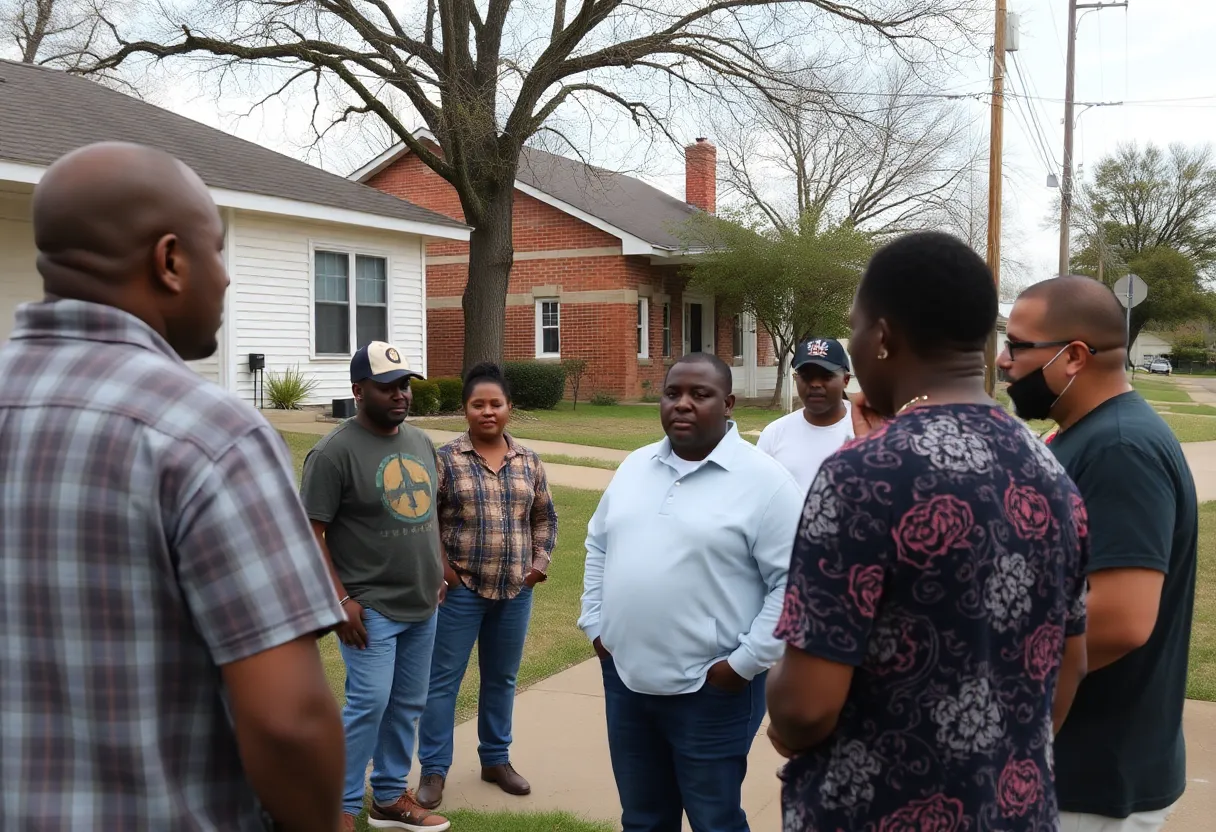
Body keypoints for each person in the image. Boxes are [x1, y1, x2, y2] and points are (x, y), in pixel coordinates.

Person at [0, 142, 345, 830]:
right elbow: (288, 722)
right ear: (170, 261)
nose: (225, 279)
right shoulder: (210, 436)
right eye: (217, 252)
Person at [766, 232, 1089, 832]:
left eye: (856, 327)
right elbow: (1070, 664)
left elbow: (805, 709)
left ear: (882, 337)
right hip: (1015, 813)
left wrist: (780, 710)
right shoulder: (1053, 474)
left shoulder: (862, 475)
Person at [1000, 275, 1198, 832]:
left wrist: (995, 682)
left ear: (1074, 357)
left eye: (1017, 346)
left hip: (1089, 782)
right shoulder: (1078, 435)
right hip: (1070, 770)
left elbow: (1121, 620)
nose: (1002, 359)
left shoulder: (1120, 448)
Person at [578, 352, 804, 832]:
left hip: (711, 690)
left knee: (714, 819)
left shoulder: (766, 483)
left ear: (728, 404)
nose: (682, 404)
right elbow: (598, 543)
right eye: (672, 393)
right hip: (627, 681)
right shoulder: (636, 467)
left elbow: (793, 586)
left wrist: (741, 666)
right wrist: (596, 625)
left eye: (699, 395)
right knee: (642, 818)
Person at [300, 341, 450, 832]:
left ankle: (387, 798)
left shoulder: (421, 442)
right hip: (370, 607)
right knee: (369, 704)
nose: (400, 395)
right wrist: (340, 601)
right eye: (387, 387)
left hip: (422, 603)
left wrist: (438, 571)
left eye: (404, 385)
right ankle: (337, 806)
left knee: (407, 704)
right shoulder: (332, 453)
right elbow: (310, 535)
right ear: (358, 390)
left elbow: (427, 515)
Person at [415, 362, 558, 809]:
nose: (488, 411)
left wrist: (538, 564)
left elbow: (544, 517)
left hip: (516, 591)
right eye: (478, 404)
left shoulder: (528, 461)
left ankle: (496, 760)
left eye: (496, 403)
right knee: (443, 682)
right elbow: (425, 520)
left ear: (509, 408)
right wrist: (444, 570)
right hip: (461, 591)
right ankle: (434, 770)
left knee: (502, 678)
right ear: (466, 410)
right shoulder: (445, 459)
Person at [757, 337, 855, 491]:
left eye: (826, 376)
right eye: (806, 376)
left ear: (846, 380)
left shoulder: (868, 430)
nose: (815, 384)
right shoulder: (774, 434)